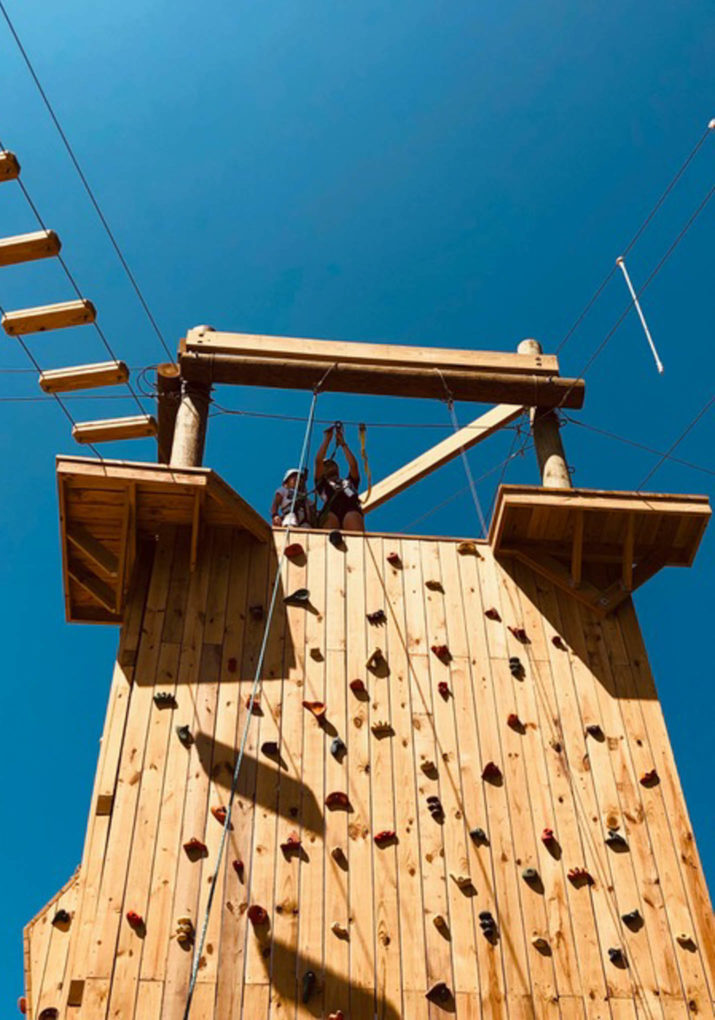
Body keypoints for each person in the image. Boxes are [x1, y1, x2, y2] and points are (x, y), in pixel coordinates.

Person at [314, 424, 365, 532]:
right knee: (329, 526)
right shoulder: (322, 484)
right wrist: (327, 439)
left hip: (350, 507)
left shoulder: (349, 482)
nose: (329, 466)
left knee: (353, 521)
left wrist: (343, 444)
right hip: (331, 510)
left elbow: (353, 465)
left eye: (332, 464)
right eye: (326, 465)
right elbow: (318, 461)